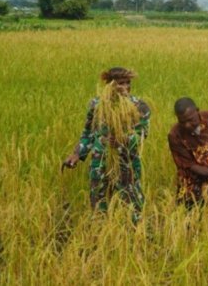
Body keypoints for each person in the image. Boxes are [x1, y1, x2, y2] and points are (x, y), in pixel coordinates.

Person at [62, 67, 150, 223]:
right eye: (120, 84)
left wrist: (122, 140)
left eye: (128, 83)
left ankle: (138, 236)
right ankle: (101, 234)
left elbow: (142, 134)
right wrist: (77, 153)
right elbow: (88, 133)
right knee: (98, 203)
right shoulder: (96, 105)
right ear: (109, 85)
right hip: (100, 162)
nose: (125, 88)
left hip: (126, 162)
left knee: (133, 203)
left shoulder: (139, 107)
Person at [168, 97, 208, 208]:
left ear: (197, 111)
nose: (187, 125)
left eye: (190, 120)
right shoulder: (175, 135)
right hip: (193, 185)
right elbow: (191, 166)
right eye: (182, 122)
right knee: (194, 215)